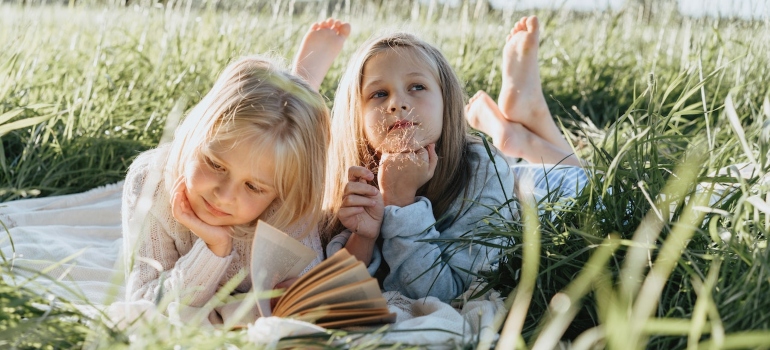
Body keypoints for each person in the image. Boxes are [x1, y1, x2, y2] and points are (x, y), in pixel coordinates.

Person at [122, 19, 349, 308]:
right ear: (195, 134)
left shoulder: (287, 199)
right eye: (216, 164)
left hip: (289, 164)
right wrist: (214, 250)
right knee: (275, 134)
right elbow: (144, 303)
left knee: (292, 141)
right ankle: (300, 86)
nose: (225, 196)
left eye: (253, 186)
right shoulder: (150, 182)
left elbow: (302, 294)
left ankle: (302, 86)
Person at [321, 25, 516, 302]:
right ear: (357, 115)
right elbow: (336, 291)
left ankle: (517, 126)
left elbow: (446, 293)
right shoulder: (349, 175)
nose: (398, 103)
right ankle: (512, 134)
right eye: (378, 94)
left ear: (446, 100)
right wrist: (362, 238)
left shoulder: (484, 169)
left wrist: (400, 204)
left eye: (417, 87)